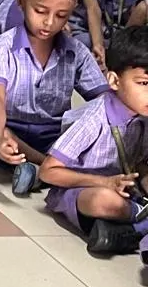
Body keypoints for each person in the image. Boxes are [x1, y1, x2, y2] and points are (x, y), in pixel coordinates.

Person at [0, 0, 109, 196]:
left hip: (55, 136)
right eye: (40, 11)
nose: (49, 22)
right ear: (21, 2)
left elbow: (103, 100)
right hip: (14, 129)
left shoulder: (76, 52)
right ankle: (51, 170)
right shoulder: (1, 47)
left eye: (61, 15)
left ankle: (40, 171)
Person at [40, 25, 148, 256]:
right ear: (114, 81)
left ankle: (125, 233)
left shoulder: (143, 116)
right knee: (104, 201)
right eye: (144, 84)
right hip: (81, 189)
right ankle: (140, 226)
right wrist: (104, 183)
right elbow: (48, 172)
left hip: (125, 190)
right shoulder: (93, 118)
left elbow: (138, 162)